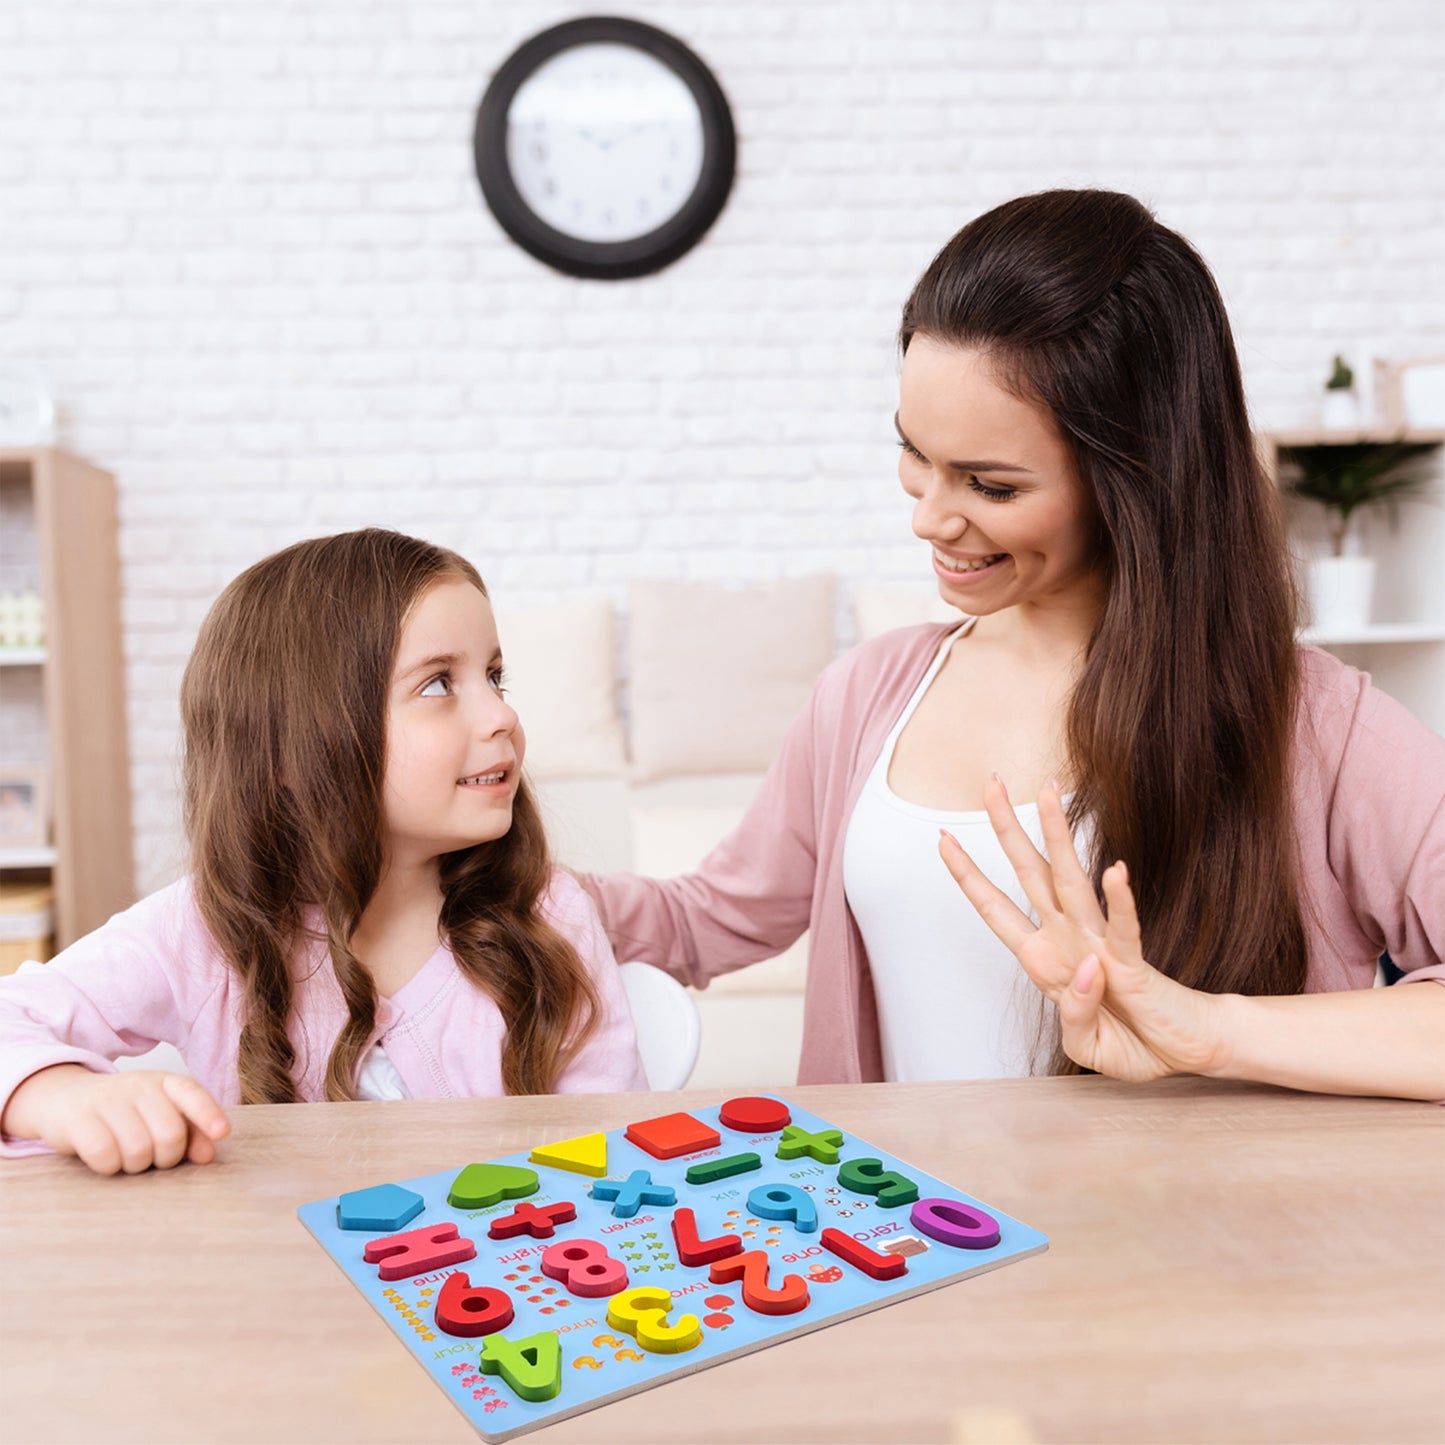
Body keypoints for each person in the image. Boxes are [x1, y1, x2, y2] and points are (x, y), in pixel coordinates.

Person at [580, 189, 1445, 1102]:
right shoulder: (869, 693)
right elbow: (708, 918)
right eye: (914, 452)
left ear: (1135, 479)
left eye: (988, 484)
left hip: (1191, 1242)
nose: (928, 516)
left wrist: (1212, 1029)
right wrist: (501, 886)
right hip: (915, 1247)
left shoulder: (1317, 728)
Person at [0, 529, 646, 1173]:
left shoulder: (550, 913)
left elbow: (612, 1157)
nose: (500, 715)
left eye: (495, 678)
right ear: (293, 753)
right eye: (439, 684)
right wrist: (60, 1092)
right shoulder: (203, 930)